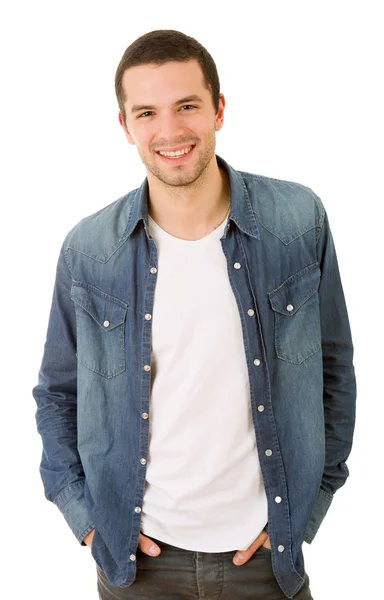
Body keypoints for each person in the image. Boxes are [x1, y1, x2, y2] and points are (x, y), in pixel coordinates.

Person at [32, 29, 357, 599]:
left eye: (187, 106)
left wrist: (307, 510)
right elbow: (58, 394)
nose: (170, 131)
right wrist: (87, 519)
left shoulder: (297, 221)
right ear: (125, 126)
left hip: (266, 561)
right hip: (137, 565)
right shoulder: (89, 251)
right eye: (147, 112)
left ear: (219, 109)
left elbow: (334, 372)